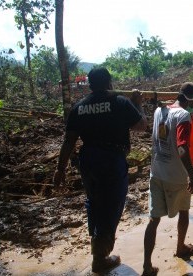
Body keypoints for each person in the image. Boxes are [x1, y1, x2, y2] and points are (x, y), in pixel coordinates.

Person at [53, 67, 148, 273]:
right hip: (112, 160)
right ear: (110, 83)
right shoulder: (119, 102)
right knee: (112, 205)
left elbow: (69, 141)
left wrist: (60, 170)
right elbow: (141, 126)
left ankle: (98, 245)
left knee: (95, 202)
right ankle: (100, 257)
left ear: (89, 84)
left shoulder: (79, 108)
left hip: (88, 161)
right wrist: (137, 104)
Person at [143, 82, 193, 275]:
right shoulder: (183, 115)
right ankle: (180, 247)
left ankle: (146, 266)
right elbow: (182, 147)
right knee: (184, 211)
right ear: (190, 100)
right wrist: (192, 177)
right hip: (175, 175)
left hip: (156, 172)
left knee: (153, 220)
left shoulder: (160, 111)